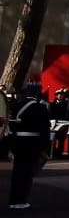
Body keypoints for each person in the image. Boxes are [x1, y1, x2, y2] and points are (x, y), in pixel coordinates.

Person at [7, 75, 50, 209]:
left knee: (17, 171)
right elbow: (44, 130)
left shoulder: (17, 105)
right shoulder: (40, 107)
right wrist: (44, 146)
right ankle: (21, 200)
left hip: (18, 142)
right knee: (27, 172)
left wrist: (11, 144)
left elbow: (12, 126)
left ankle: (13, 200)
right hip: (32, 143)